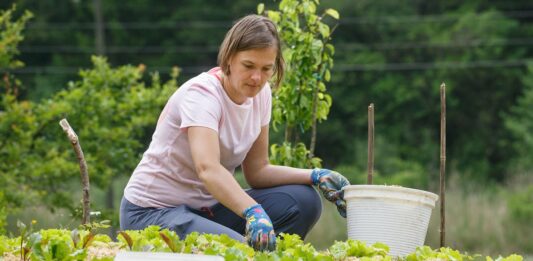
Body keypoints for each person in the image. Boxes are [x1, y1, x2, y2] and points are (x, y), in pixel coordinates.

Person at [120, 14, 350, 251]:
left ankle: (269, 254)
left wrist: (316, 175)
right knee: (239, 251)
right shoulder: (202, 95)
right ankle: (257, 254)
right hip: (153, 213)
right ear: (229, 59)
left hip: (208, 209)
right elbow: (207, 169)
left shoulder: (261, 95)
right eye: (248, 66)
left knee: (304, 201)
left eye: (266, 68)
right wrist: (253, 211)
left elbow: (258, 171)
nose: (257, 78)